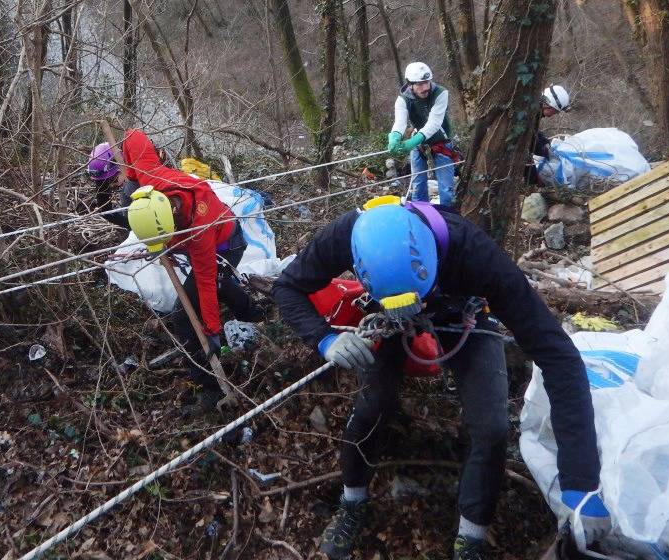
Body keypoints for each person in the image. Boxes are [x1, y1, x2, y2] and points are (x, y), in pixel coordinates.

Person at [272, 198, 610, 560]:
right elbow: (287, 287)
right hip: (386, 315)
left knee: (492, 427)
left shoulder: (476, 254)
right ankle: (352, 500)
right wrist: (324, 338)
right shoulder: (347, 233)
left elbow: (558, 354)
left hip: (459, 313)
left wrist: (580, 481)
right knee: (373, 405)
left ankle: (471, 537)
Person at [123, 134, 264, 406]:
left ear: (174, 221)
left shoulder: (198, 228)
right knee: (216, 286)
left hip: (225, 243)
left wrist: (211, 329)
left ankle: (207, 386)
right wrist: (131, 176)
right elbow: (133, 136)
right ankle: (252, 313)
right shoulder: (151, 177)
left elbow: (206, 281)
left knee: (183, 313)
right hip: (196, 240)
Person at [388, 62, 458, 207]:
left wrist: (412, 142)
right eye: (419, 84)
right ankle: (421, 217)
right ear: (410, 84)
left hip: (441, 142)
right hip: (419, 144)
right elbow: (400, 122)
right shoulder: (403, 99)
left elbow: (434, 123)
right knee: (418, 187)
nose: (425, 87)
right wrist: (394, 136)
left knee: (446, 189)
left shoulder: (440, 93)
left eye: (426, 82)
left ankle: (447, 220)